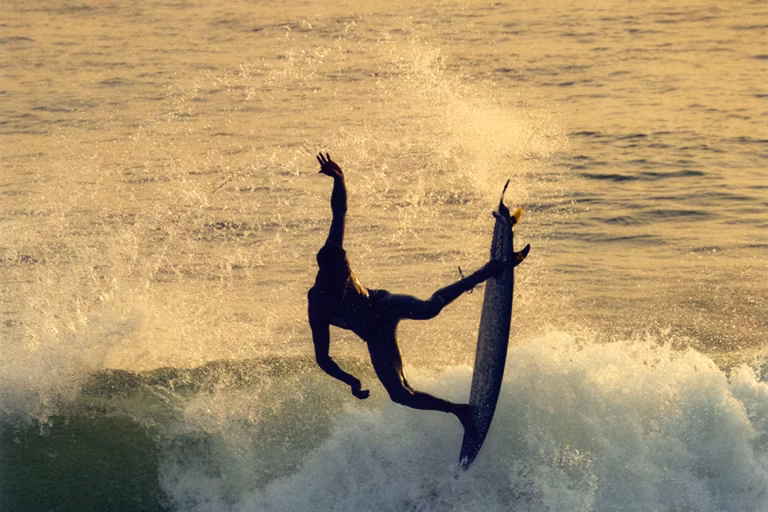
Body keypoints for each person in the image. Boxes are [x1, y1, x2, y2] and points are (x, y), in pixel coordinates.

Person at [307, 153, 502, 432]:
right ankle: (458, 410)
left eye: (347, 269)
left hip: (383, 304)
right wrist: (351, 380)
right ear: (327, 276)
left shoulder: (334, 252)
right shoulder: (318, 305)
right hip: (374, 334)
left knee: (428, 309)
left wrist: (339, 180)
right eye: (343, 275)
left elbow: (339, 213)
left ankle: (481, 274)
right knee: (400, 395)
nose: (348, 275)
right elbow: (323, 358)